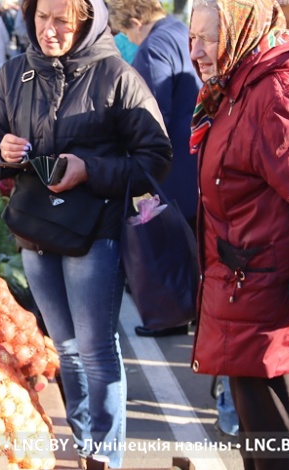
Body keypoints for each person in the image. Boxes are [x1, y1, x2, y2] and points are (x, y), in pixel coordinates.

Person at [0, 0, 172, 465]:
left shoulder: (117, 76)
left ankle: (106, 456)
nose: (49, 30)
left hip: (94, 234)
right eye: (42, 19)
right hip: (35, 232)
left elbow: (155, 160)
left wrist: (90, 169)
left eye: (62, 21)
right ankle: (87, 444)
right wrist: (1, 152)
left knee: (95, 349)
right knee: (64, 349)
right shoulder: (14, 74)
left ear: (87, 21)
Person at [188, 0, 289, 468]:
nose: (196, 50)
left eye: (209, 37)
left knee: (282, 457)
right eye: (193, 35)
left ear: (242, 30)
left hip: (273, 317)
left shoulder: (276, 94)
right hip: (247, 306)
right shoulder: (237, 84)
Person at [107, 0, 201, 338]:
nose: (128, 40)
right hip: (196, 154)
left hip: (173, 164)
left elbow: (148, 111)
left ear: (135, 20)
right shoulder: (181, 29)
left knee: (170, 242)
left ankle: (172, 314)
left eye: (125, 32)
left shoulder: (153, 47)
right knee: (193, 243)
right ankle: (190, 310)